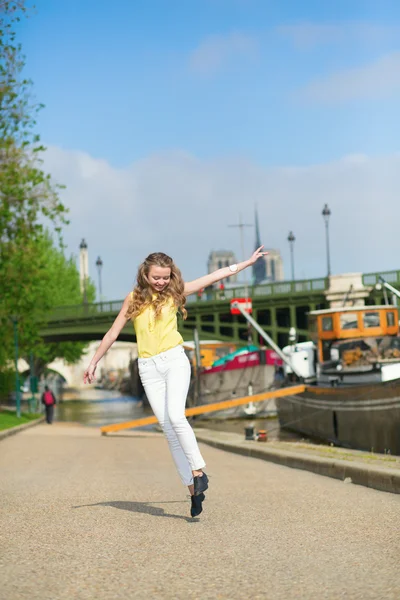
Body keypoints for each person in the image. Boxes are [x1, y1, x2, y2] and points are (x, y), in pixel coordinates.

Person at [83, 246, 267, 518]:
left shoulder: (175, 293)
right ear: (145, 275)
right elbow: (113, 332)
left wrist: (247, 263)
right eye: (156, 277)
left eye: (166, 277)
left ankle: (198, 471)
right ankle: (193, 489)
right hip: (148, 367)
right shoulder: (133, 299)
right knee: (168, 429)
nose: (161, 282)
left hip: (174, 361)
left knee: (176, 417)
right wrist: (94, 361)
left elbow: (213, 277)